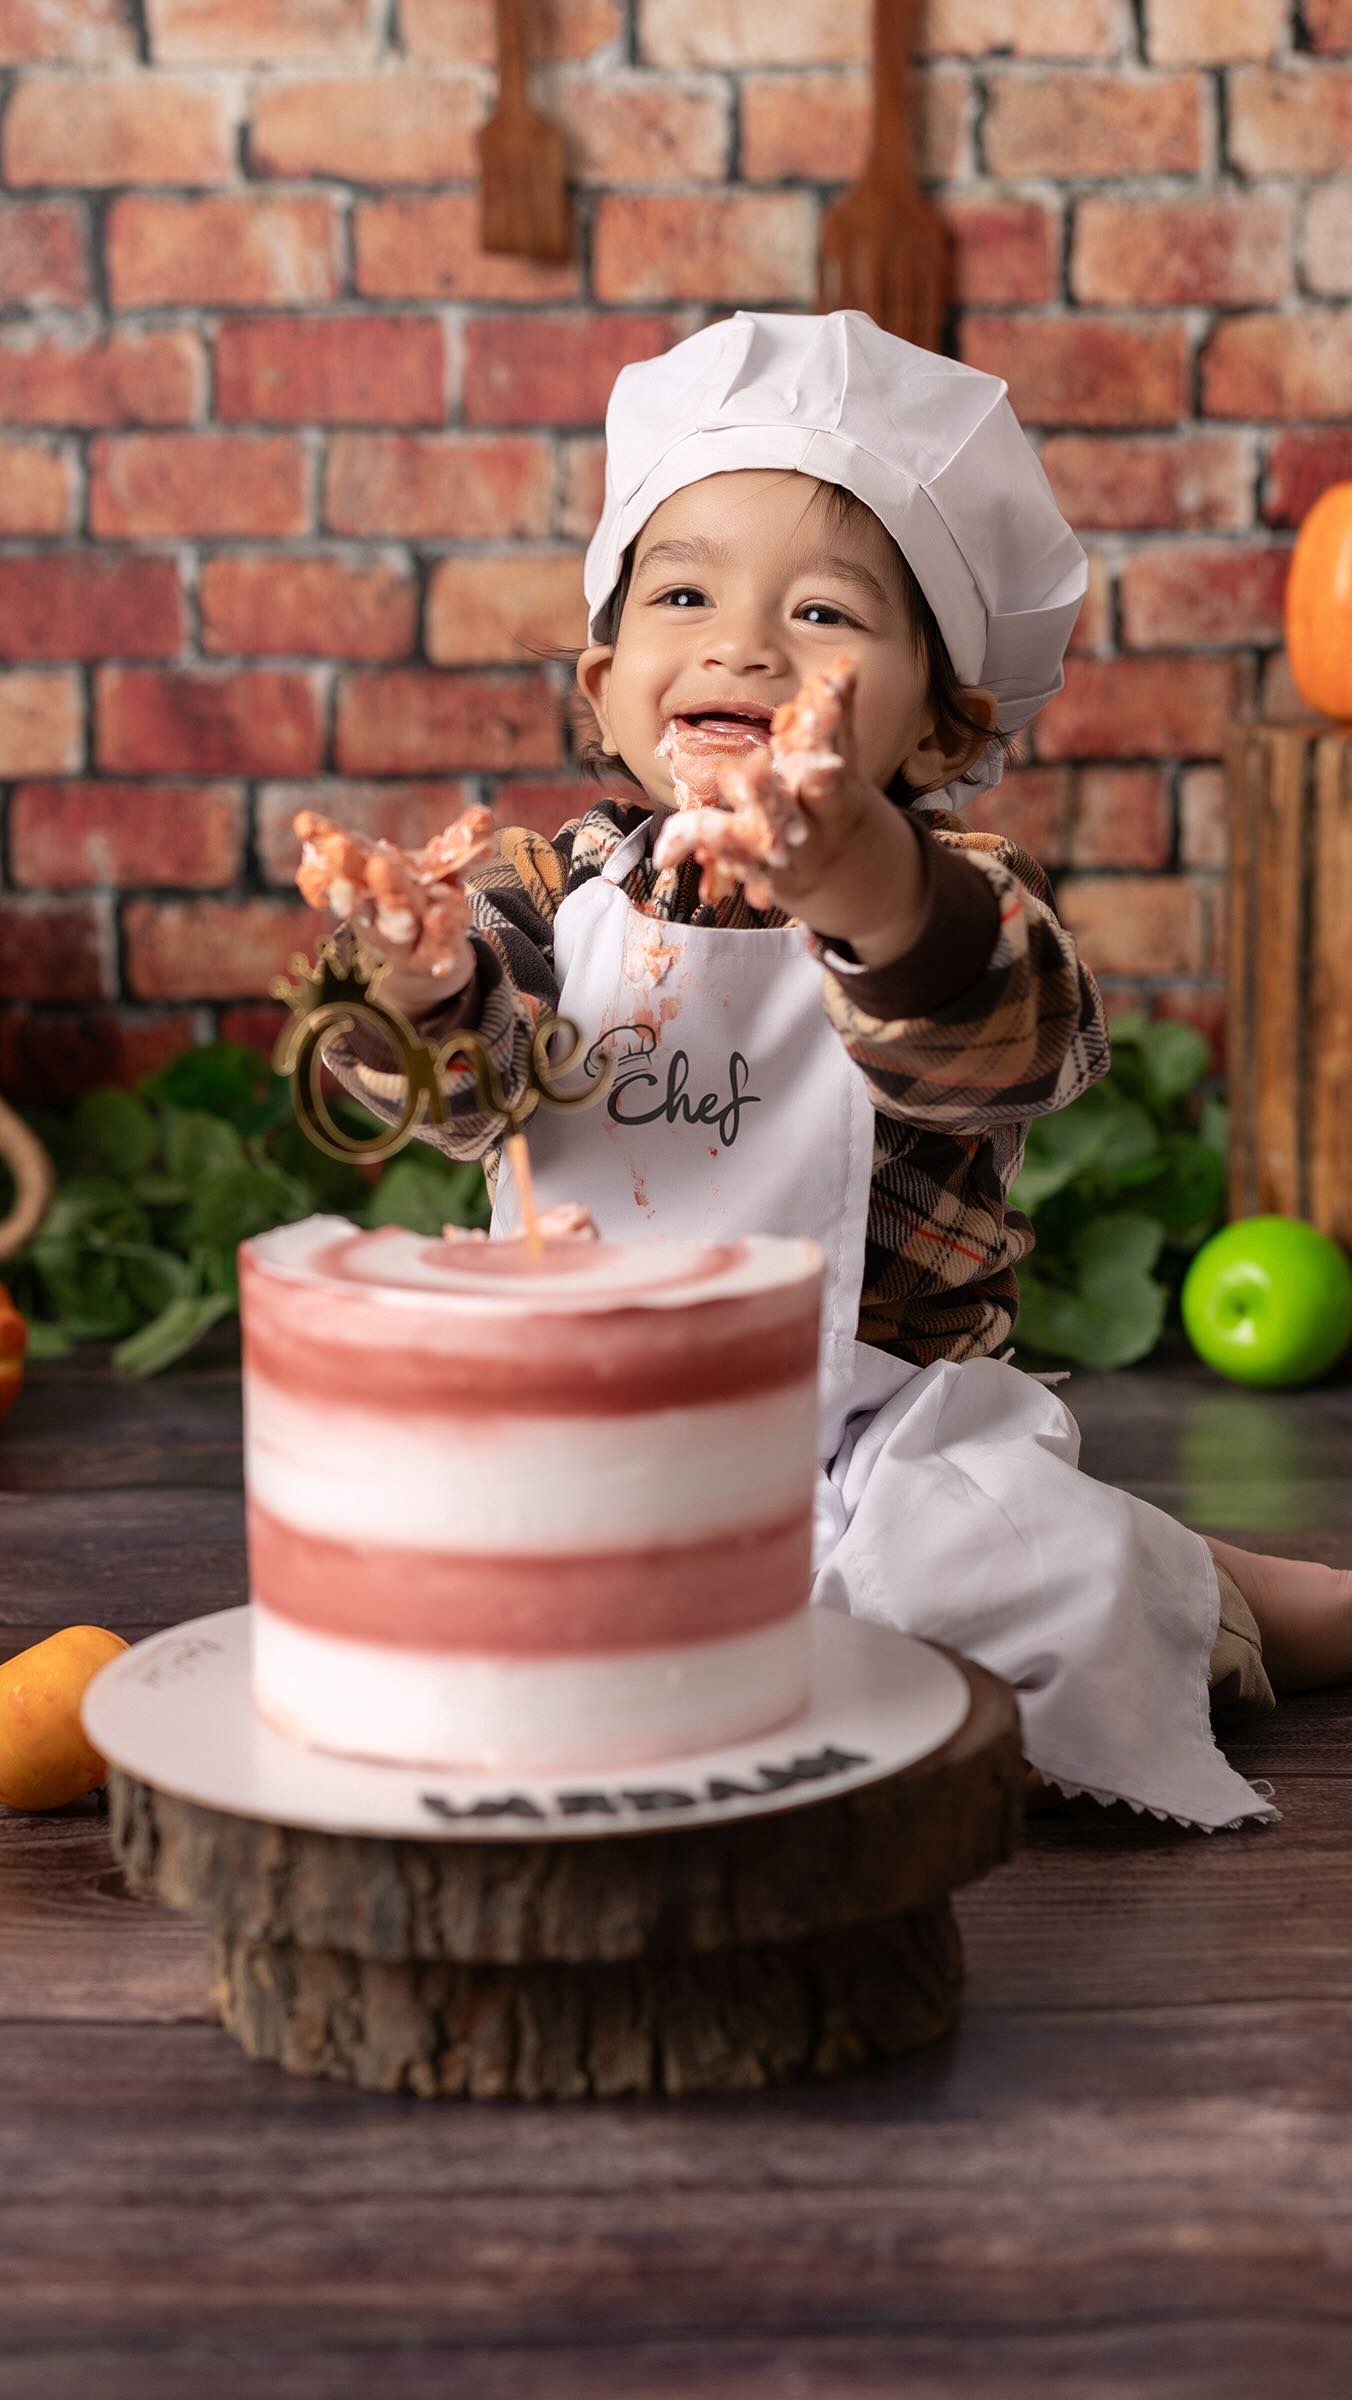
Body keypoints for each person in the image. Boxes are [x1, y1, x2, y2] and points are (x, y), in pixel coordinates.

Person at [303, 309, 1352, 1831]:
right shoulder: (541, 893)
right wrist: (417, 988)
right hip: (575, 1425)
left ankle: (1249, 1602)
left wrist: (865, 885)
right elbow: (464, 1096)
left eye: (823, 616)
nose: (741, 644)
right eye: (684, 593)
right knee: (414, 1580)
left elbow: (1002, 1051)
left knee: (1007, 1591)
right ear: (606, 686)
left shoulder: (956, 903)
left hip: (875, 1437)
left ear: (934, 725)